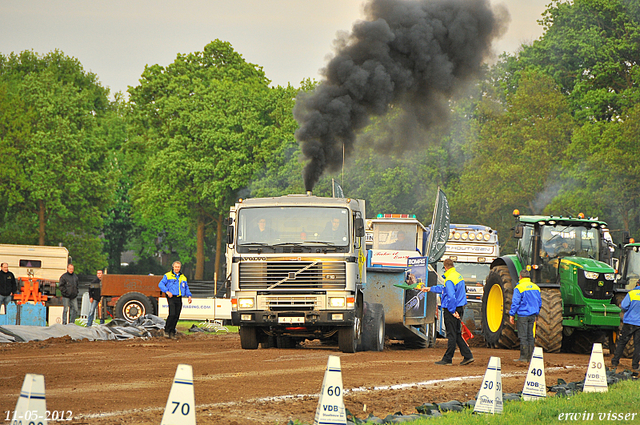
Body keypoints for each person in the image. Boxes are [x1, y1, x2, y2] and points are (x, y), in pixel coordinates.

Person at [423, 258, 474, 365]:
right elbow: (445, 289)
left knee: (451, 334)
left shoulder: (449, 279)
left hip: (452, 308)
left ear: (445, 267)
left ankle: (447, 359)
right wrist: (430, 288)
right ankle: (468, 355)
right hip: (459, 307)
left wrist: (452, 310)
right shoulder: (458, 276)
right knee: (457, 333)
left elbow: (451, 296)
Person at [509, 269, 542, 362]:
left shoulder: (519, 287)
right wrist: (536, 313)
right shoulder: (536, 287)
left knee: (523, 336)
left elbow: (515, 303)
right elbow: (539, 302)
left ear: (520, 277)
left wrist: (512, 314)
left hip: (523, 315)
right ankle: (530, 357)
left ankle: (523, 357)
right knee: (530, 335)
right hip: (532, 315)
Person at [611, 282, 640, 374]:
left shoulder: (631, 293)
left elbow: (624, 306)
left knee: (622, 342)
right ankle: (635, 365)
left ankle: (615, 362)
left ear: (637, 284)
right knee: (638, 345)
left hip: (628, 322)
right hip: (639, 324)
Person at [159, 261, 193, 338]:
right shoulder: (168, 275)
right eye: (176, 267)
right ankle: (167, 330)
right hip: (171, 296)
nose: (177, 268)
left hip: (179, 297)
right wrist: (167, 291)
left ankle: (172, 331)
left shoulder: (183, 277)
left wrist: (189, 296)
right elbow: (161, 284)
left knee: (177, 315)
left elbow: (186, 287)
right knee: (172, 314)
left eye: (178, 267)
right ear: (173, 267)